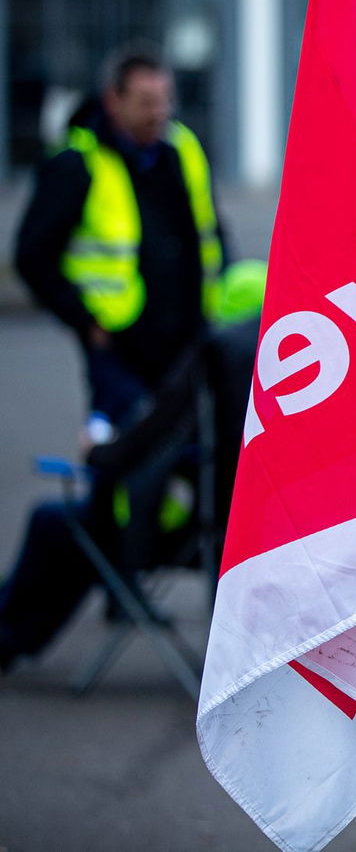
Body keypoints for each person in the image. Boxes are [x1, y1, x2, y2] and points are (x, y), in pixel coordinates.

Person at [0, 261, 264, 674]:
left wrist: (95, 453)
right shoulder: (302, 384)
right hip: (258, 535)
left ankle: (9, 640)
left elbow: (140, 444)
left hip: (191, 533)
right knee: (74, 527)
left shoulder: (215, 360)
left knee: (56, 524)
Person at [14, 45, 225, 429]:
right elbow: (32, 256)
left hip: (188, 339)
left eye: (165, 100)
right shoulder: (77, 163)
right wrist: (85, 321)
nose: (159, 113)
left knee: (195, 454)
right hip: (119, 348)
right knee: (123, 456)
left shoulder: (181, 149)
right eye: (146, 102)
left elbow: (211, 231)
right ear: (114, 100)